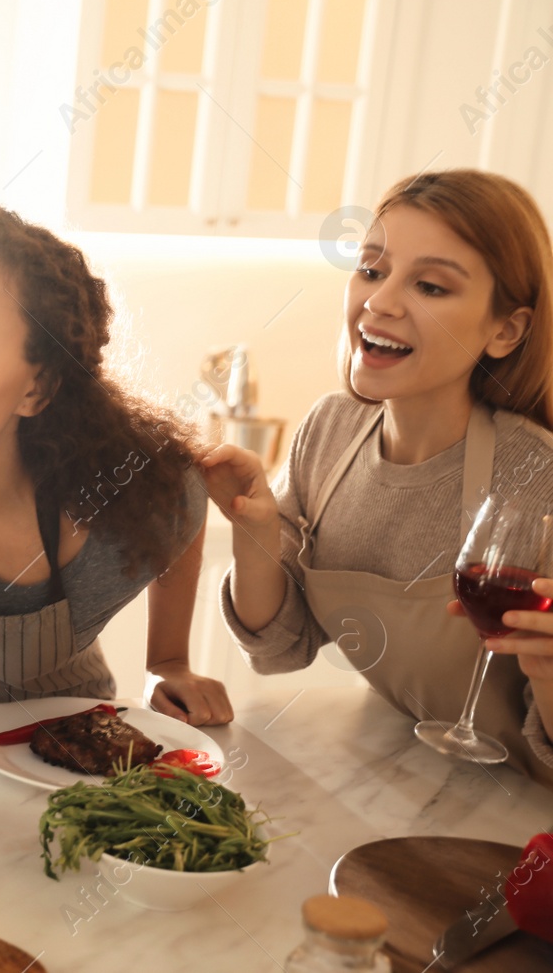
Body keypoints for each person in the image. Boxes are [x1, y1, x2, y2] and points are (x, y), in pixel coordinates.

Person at [203, 169, 553, 785]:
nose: (380, 301)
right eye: (371, 269)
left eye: (430, 286)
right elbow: (279, 645)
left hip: (521, 815)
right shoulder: (331, 431)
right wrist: (256, 529)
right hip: (405, 778)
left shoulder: (538, 476)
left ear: (506, 330)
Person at [0, 203, 232, 722]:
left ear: (37, 387)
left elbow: (181, 501)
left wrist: (169, 660)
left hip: (69, 747)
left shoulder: (125, 494)